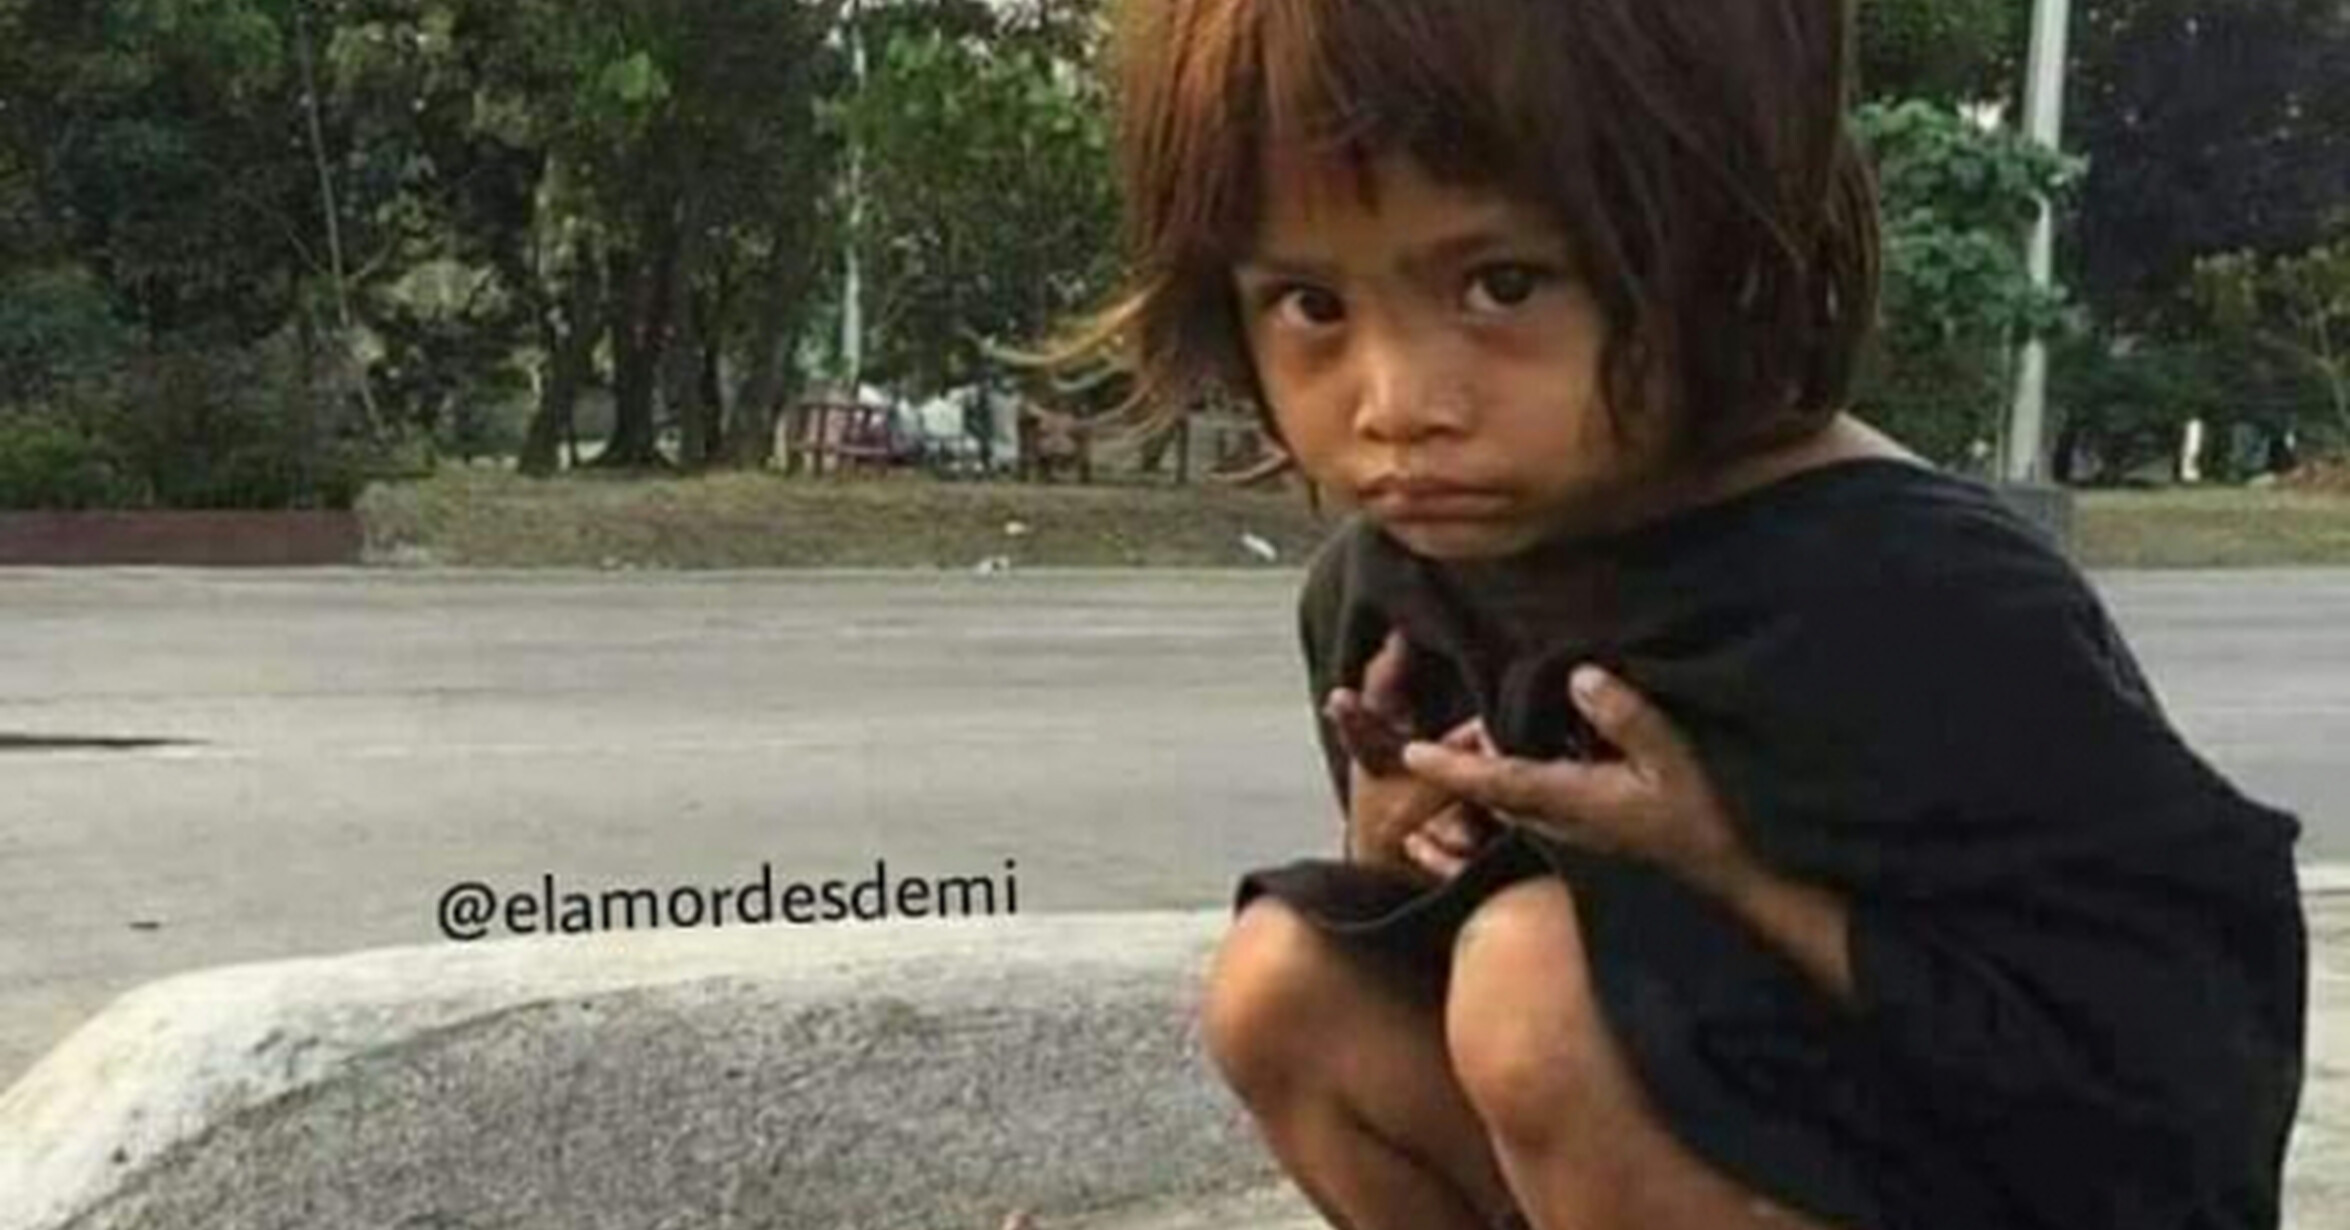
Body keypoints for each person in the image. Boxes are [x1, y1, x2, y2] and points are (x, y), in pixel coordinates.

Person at [1040, 2, 2307, 1228]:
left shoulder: (1914, 598)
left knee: (1533, 985)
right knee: (1284, 983)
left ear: (1716, 248)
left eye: (1500, 284)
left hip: (2023, 1177)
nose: (1397, 404)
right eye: (1312, 305)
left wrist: (1725, 869)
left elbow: (2175, 1088)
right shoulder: (1385, 587)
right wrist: (1390, 849)